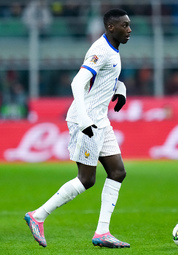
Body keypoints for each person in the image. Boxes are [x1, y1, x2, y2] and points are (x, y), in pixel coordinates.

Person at [24, 9, 132, 249]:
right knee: (87, 179)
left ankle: (102, 232)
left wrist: (120, 89)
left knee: (118, 172)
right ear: (111, 27)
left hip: (101, 119)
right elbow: (78, 82)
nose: (129, 29)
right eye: (125, 25)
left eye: (129, 25)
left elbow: (102, 80)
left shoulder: (113, 49)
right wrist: (84, 120)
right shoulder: (100, 50)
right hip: (87, 121)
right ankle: (38, 216)